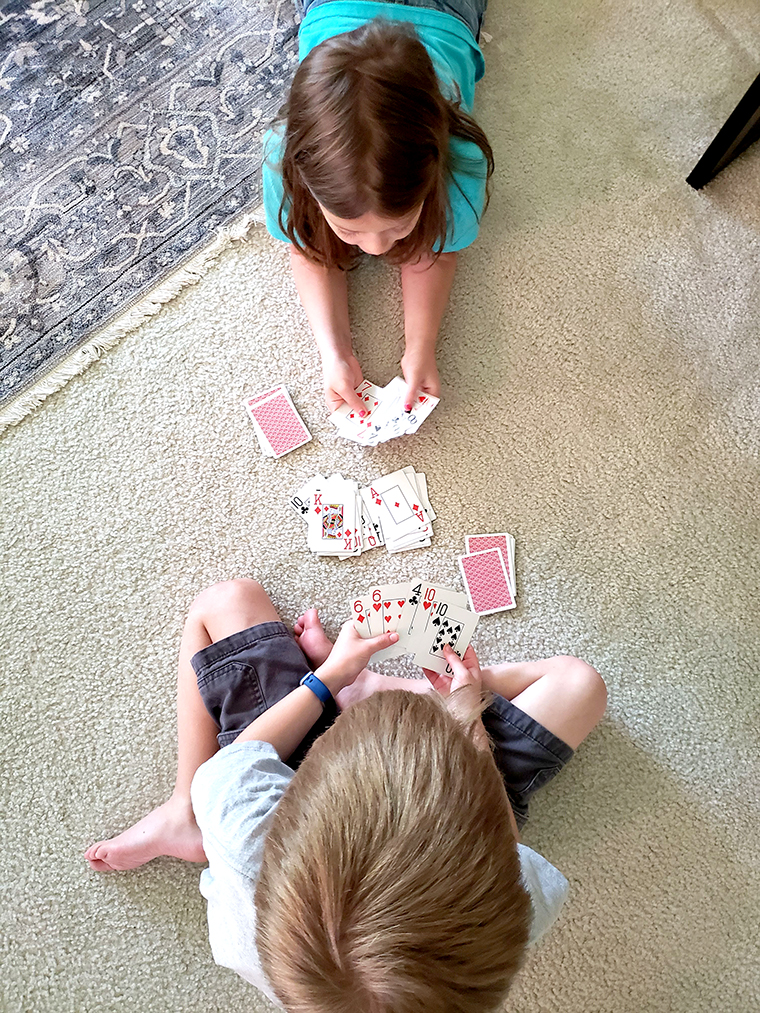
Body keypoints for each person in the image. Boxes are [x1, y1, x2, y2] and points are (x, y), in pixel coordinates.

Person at [86, 579, 607, 1013]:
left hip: (293, 797)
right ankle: (395, 693)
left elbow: (238, 761)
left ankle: (184, 813)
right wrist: (466, 720)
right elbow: (502, 839)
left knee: (223, 602)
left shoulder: (251, 837)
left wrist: (327, 677)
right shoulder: (505, 915)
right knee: (579, 684)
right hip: (465, 804)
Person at [262, 0, 495, 416]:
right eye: (350, 231)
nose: (375, 249)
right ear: (307, 188)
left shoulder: (461, 162)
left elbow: (436, 251)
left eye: (399, 225)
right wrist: (333, 354)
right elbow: (308, 247)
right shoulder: (283, 154)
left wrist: (420, 346)